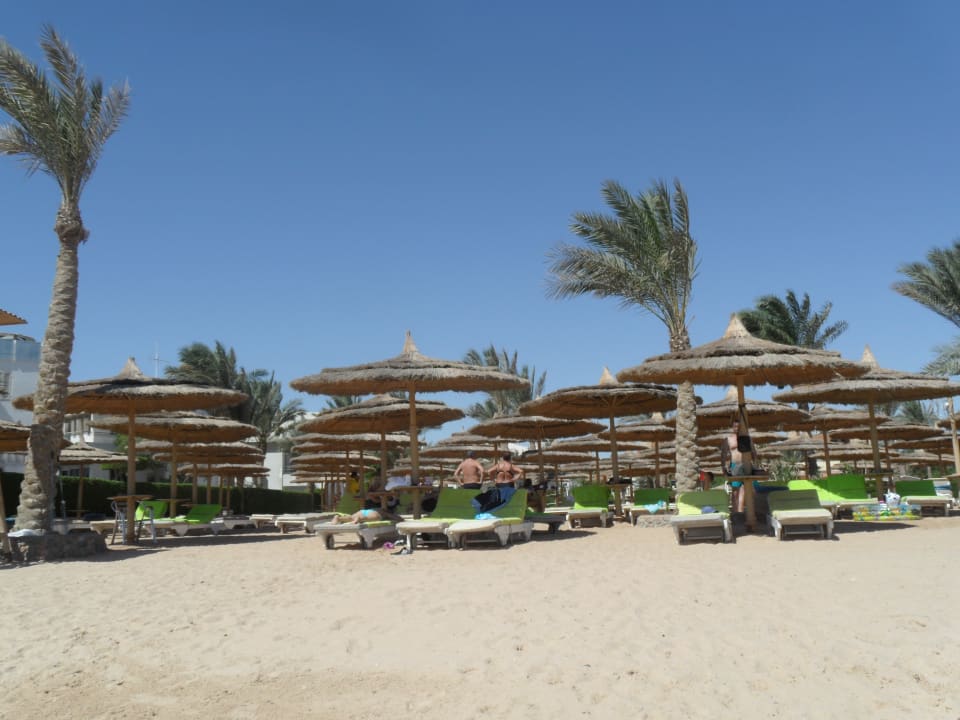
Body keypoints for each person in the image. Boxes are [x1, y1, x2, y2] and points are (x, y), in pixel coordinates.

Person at [720, 419, 758, 513]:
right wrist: (723, 467)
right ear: (732, 427)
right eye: (735, 426)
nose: (737, 428)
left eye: (739, 426)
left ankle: (751, 511)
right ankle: (736, 513)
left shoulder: (747, 438)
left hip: (747, 465)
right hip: (735, 466)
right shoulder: (728, 439)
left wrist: (756, 465)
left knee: (753, 489)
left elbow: (754, 452)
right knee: (735, 491)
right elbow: (723, 454)